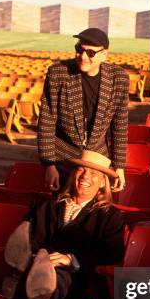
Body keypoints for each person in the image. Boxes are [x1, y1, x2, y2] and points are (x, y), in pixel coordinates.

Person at [2, 151, 125, 299]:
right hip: (38, 261)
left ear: (102, 183)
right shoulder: (48, 205)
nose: (85, 177)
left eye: (93, 174)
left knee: (58, 277)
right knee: (29, 249)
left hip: (77, 273)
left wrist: (70, 259)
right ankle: (23, 274)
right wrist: (38, 257)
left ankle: (30, 290)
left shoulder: (110, 216)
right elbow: (31, 238)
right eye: (81, 170)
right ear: (73, 174)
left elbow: (112, 254)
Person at [38, 27, 129, 192]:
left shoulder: (119, 78)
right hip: (63, 157)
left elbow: (119, 125)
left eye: (91, 53)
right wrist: (48, 164)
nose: (83, 56)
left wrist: (119, 166)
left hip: (97, 158)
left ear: (104, 54)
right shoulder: (58, 73)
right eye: (79, 49)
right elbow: (47, 119)